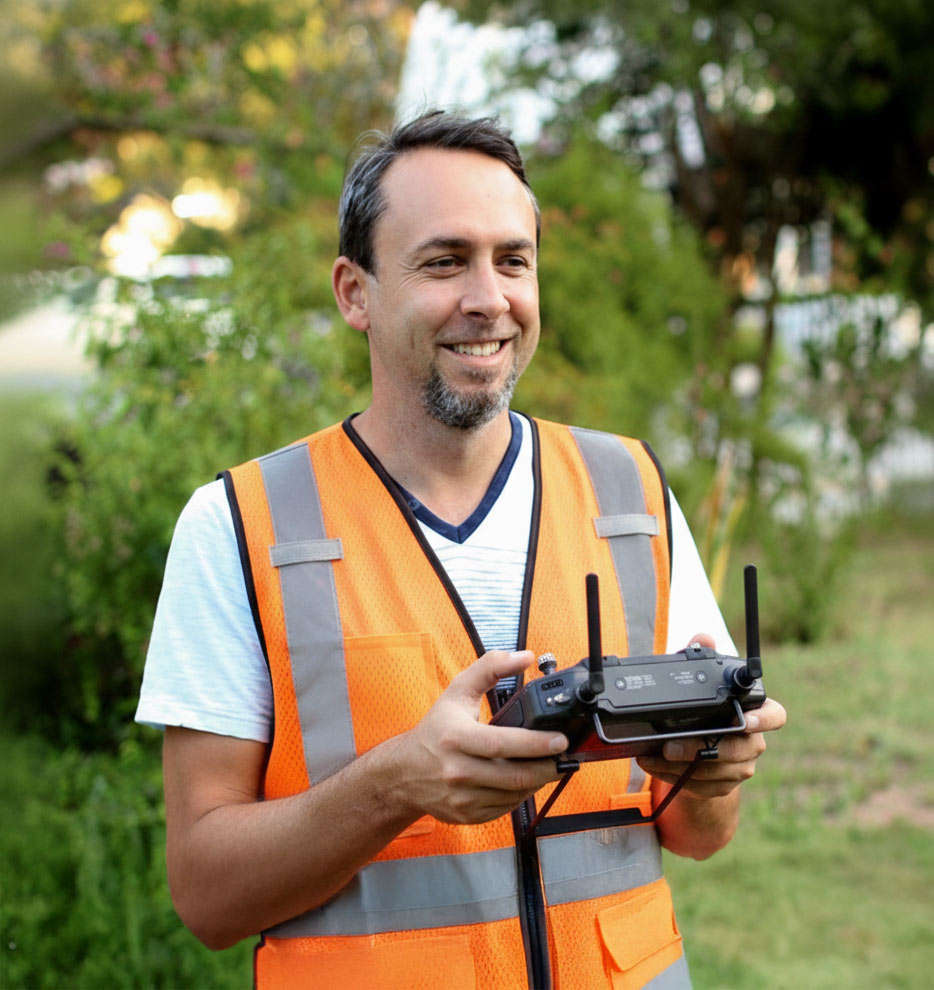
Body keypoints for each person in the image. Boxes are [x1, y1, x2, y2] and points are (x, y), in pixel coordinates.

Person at [137, 110, 786, 990]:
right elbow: (207, 898)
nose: (490, 299)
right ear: (354, 293)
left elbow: (700, 836)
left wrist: (710, 777)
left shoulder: (629, 493)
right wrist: (395, 785)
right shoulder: (241, 525)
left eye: (513, 260)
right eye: (445, 262)